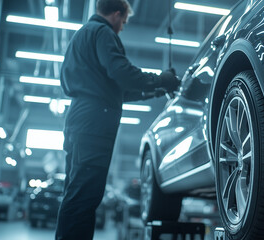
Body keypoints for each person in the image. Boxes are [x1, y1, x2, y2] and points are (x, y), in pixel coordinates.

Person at [55, 0, 179, 239]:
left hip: (81, 118)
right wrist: (162, 78)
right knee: (85, 196)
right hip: (93, 122)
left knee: (77, 193)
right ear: (116, 13)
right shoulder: (103, 33)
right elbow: (121, 72)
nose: (122, 27)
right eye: (123, 21)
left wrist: (157, 89)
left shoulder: (82, 37)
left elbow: (117, 89)